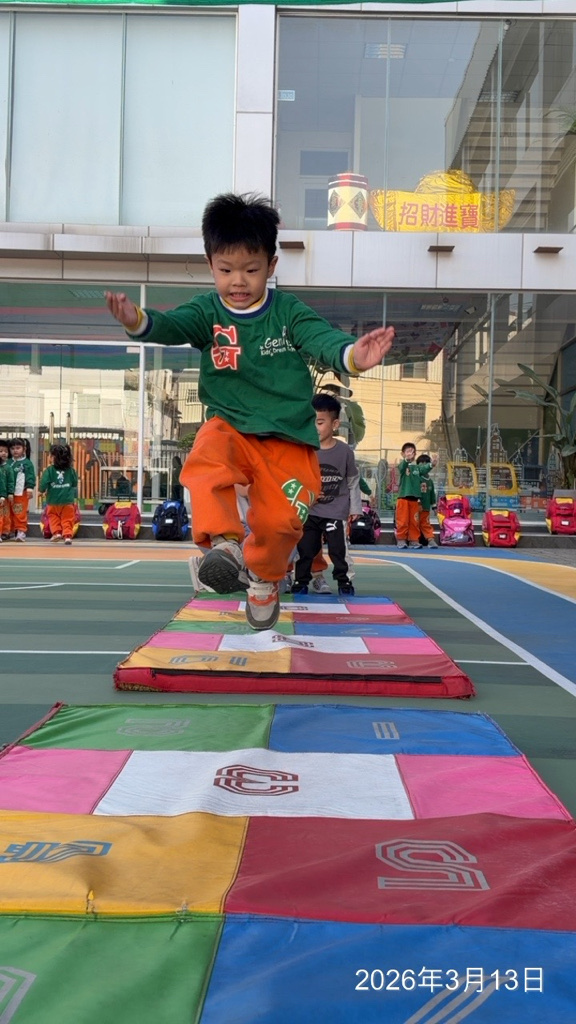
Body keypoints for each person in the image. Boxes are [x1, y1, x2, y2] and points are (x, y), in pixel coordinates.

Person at [105, 192, 394, 630]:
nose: (238, 282)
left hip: (287, 441)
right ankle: (225, 544)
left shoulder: (287, 312)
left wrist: (353, 355)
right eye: (226, 270)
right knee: (206, 460)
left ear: (271, 265)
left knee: (282, 524)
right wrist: (136, 321)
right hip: (232, 428)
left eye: (251, 270)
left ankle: (262, 578)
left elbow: (321, 339)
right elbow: (171, 324)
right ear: (211, 265)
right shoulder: (207, 311)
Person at [291, 393, 361, 596]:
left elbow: (352, 481)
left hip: (335, 512)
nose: (315, 427)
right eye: (311, 422)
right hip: (310, 511)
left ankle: (344, 581)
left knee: (339, 550)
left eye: (320, 422)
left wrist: (355, 508)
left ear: (335, 424)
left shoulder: (345, 452)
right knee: (305, 549)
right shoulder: (305, 450)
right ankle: (301, 581)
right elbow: (296, 479)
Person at [38, 444, 79, 545]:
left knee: (53, 517)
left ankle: (56, 533)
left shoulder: (49, 470)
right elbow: (74, 483)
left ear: (53, 457)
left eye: (50, 455)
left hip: (53, 501)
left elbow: (44, 482)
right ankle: (67, 536)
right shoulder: (71, 470)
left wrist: (41, 491)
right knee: (67, 519)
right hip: (67, 501)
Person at [395, 441, 432, 550]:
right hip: (403, 498)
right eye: (408, 451)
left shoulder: (417, 468)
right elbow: (401, 467)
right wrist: (406, 459)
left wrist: (432, 464)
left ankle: (414, 540)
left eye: (412, 452)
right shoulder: (403, 466)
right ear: (402, 454)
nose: (410, 453)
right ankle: (401, 539)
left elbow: (424, 469)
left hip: (414, 499)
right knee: (402, 520)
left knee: (414, 521)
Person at [9, 437, 35, 543]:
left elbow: (31, 477)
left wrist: (30, 488)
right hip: (8, 493)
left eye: (18, 448)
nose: (15, 450)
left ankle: (21, 531)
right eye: (12, 448)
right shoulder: (8, 462)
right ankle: (9, 531)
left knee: (19, 512)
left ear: (24, 449)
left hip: (21, 493)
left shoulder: (27, 463)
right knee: (8, 513)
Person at [416, 453, 438, 548]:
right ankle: (414, 540)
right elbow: (415, 491)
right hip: (416, 508)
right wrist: (418, 503)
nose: (423, 466)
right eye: (421, 463)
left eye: (426, 463)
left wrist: (434, 507)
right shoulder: (417, 478)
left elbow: (432, 494)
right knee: (414, 524)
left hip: (425, 508)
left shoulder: (430, 481)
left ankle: (430, 540)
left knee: (425, 524)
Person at [0, 439, 13, 541]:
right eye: (1, 451)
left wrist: (10, 493)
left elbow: (10, 482)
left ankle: (5, 532)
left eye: (6, 451)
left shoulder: (8, 468)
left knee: (5, 514)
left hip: (5, 496)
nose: (3, 453)